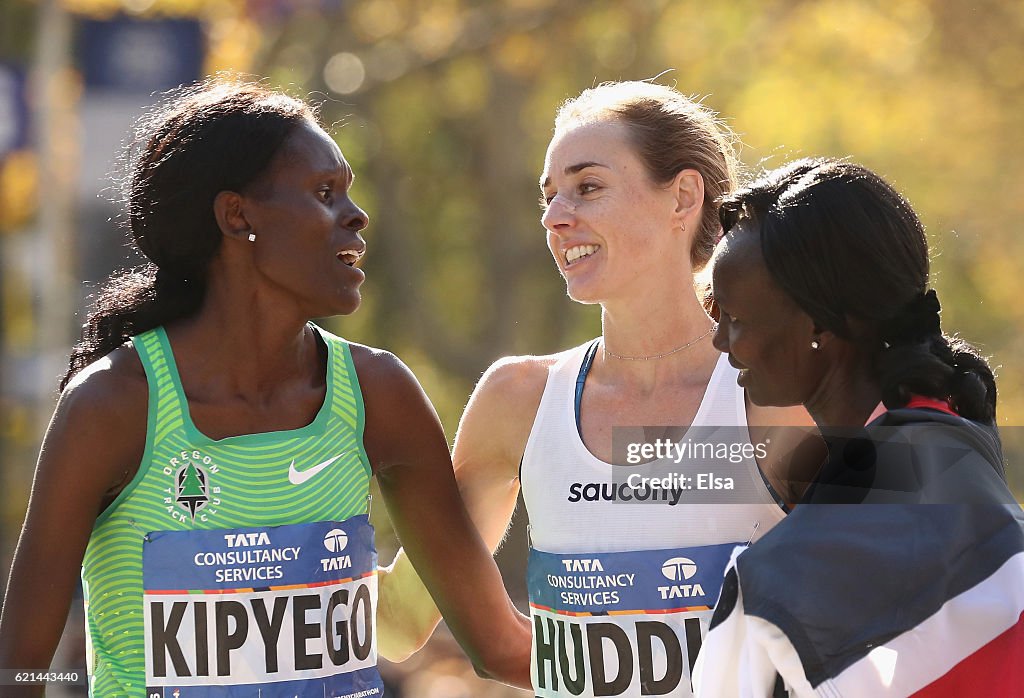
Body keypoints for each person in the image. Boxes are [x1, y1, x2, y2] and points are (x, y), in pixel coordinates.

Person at [0, 78, 531, 697]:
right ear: (237, 214)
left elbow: (498, 647)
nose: (356, 217)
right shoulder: (113, 405)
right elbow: (20, 665)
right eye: (324, 193)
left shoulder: (378, 394)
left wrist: (667, 656)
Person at [378, 81, 814, 697]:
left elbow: (886, 616)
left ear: (683, 197)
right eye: (549, 196)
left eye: (588, 188)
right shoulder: (518, 400)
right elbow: (401, 623)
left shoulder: (774, 393)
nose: (557, 217)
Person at [694, 158, 1024, 697]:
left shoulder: (777, 588)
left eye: (736, 318)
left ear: (820, 323)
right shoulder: (953, 442)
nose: (721, 342)